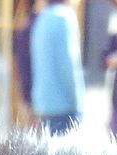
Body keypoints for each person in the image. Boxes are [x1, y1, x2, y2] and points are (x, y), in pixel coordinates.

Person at [30, 0, 86, 135]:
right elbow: (69, 64)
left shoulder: (41, 18)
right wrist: (77, 101)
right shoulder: (65, 17)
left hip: (44, 103)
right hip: (64, 105)